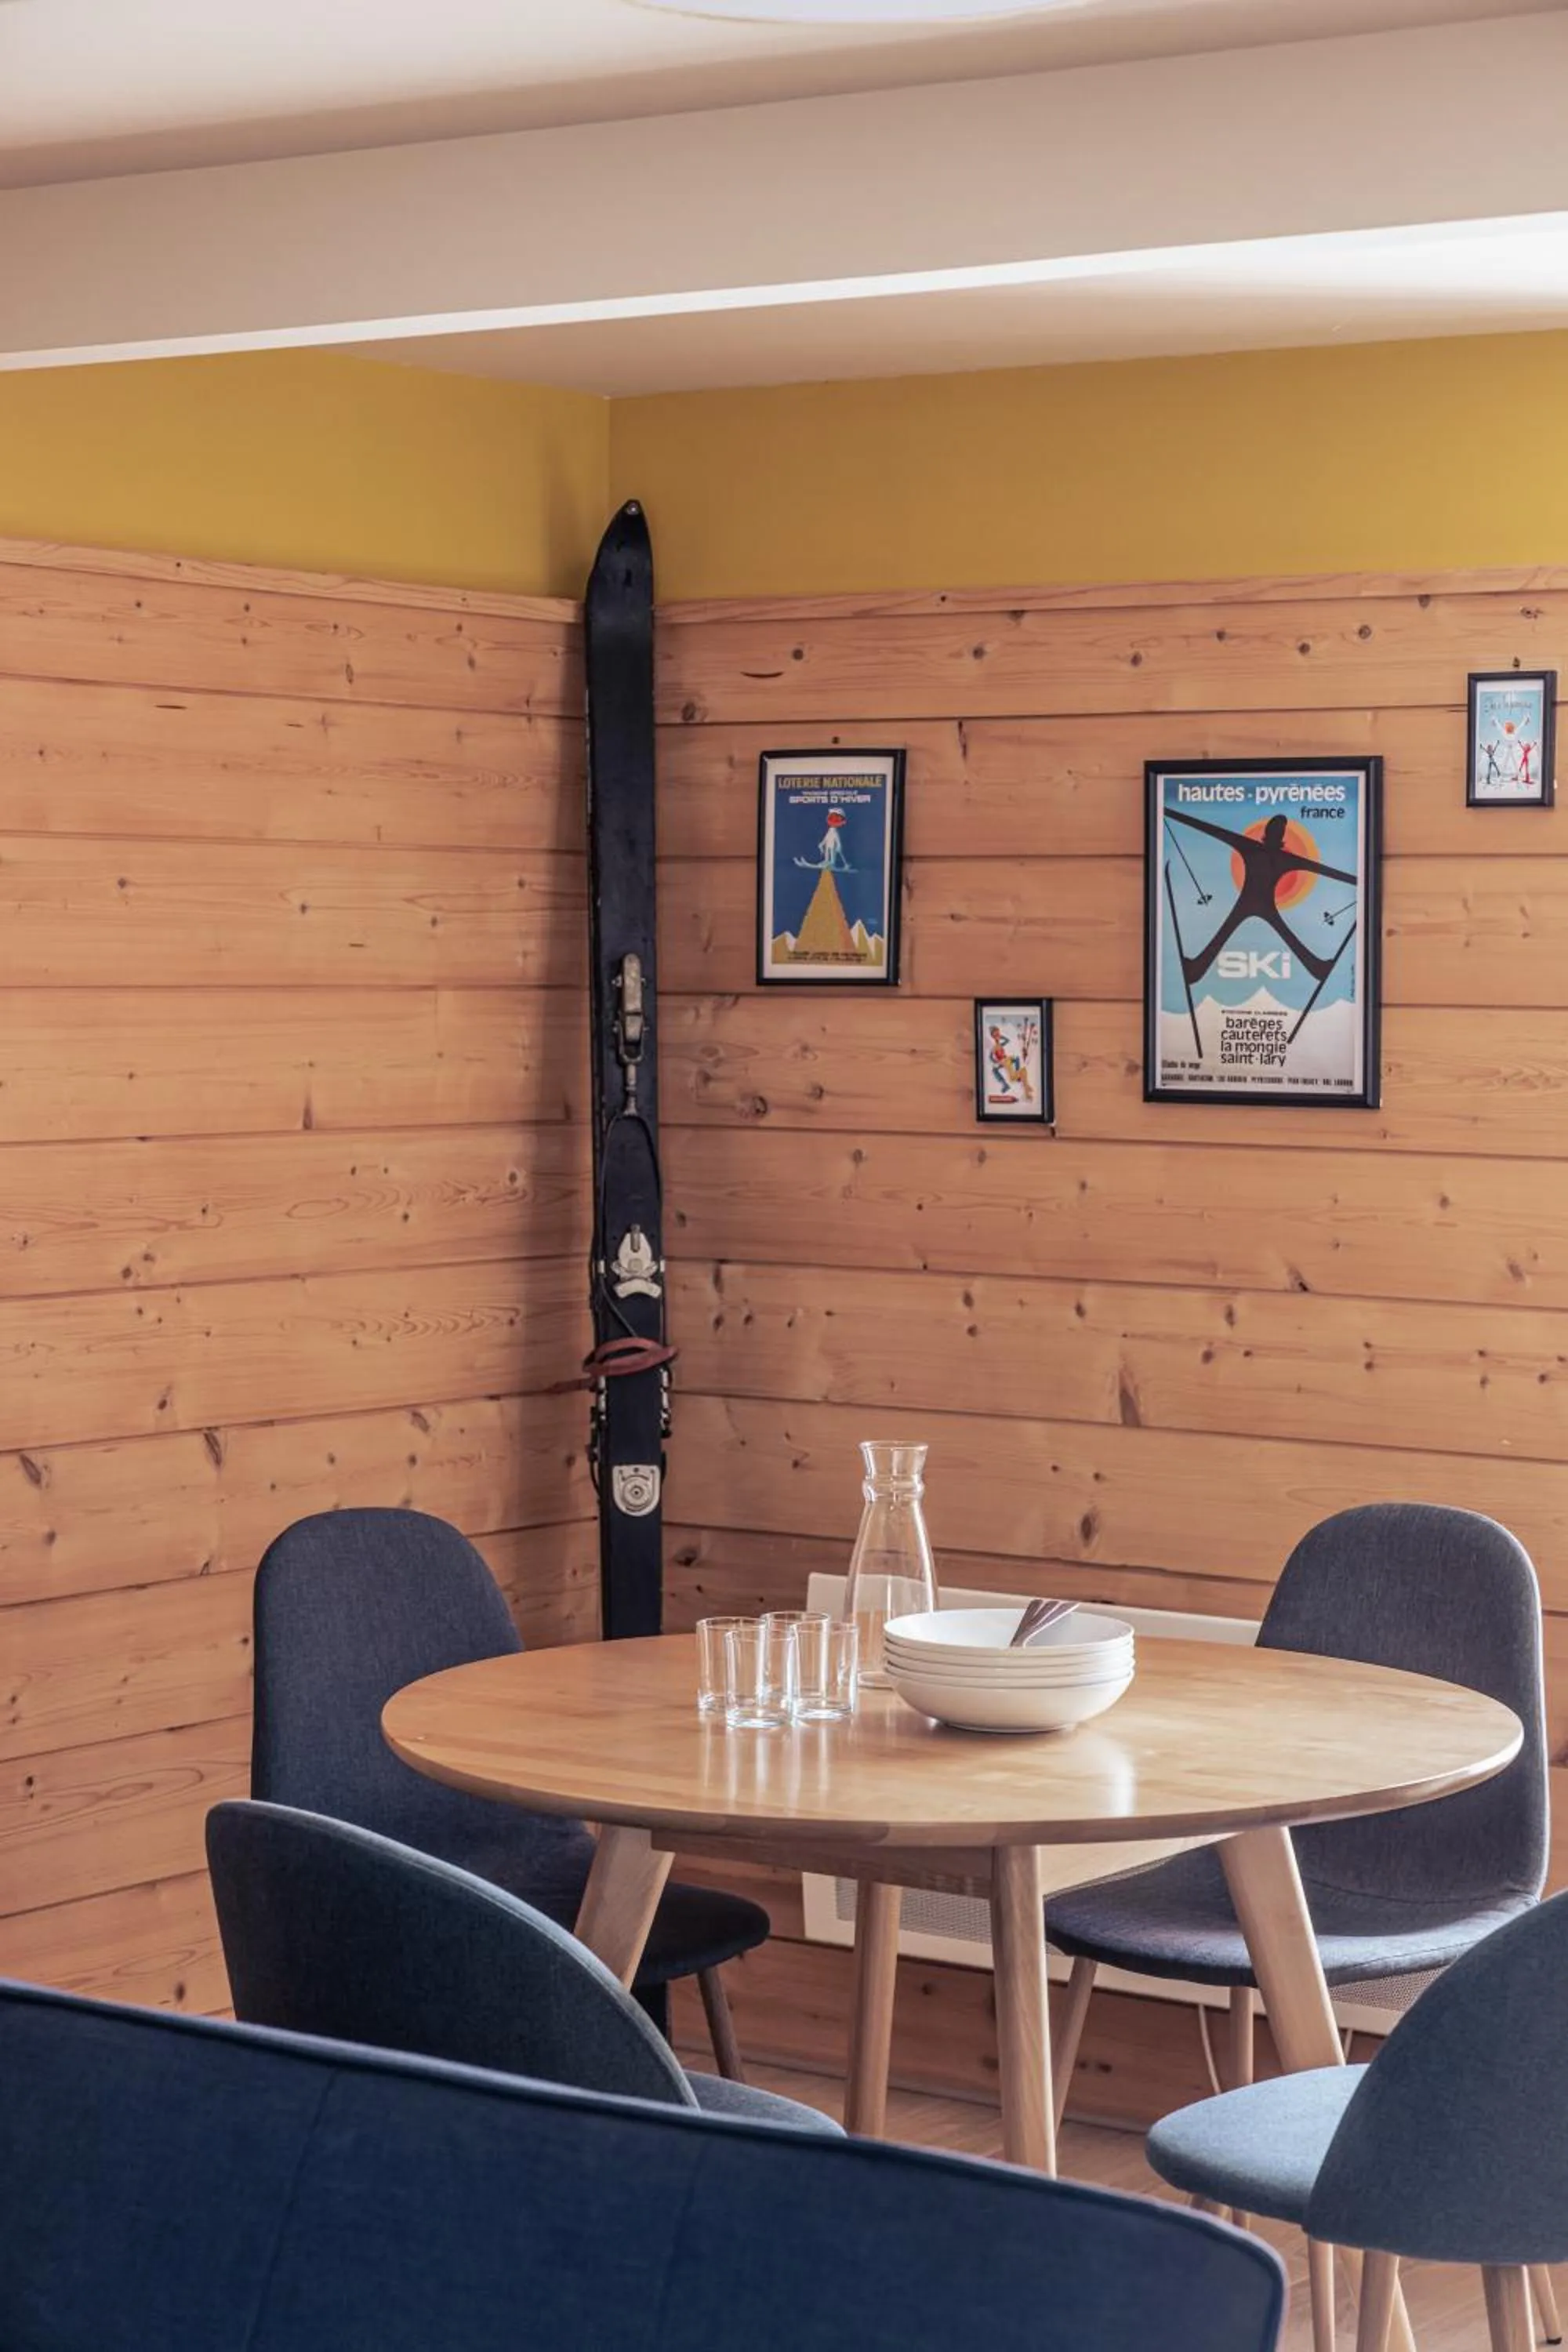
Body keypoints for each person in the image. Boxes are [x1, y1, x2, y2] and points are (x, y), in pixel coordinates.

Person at [1168, 809, 1355, 986]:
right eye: (1275, 830)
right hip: (1253, 902)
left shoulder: (1259, 849)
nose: (1275, 833)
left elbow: (1326, 871)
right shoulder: (1254, 848)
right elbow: (1211, 829)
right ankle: (1195, 971)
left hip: (1258, 903)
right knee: (1230, 934)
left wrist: (1360, 881)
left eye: (1277, 830)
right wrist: (1167, 812)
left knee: (1234, 934)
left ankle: (1317, 969)